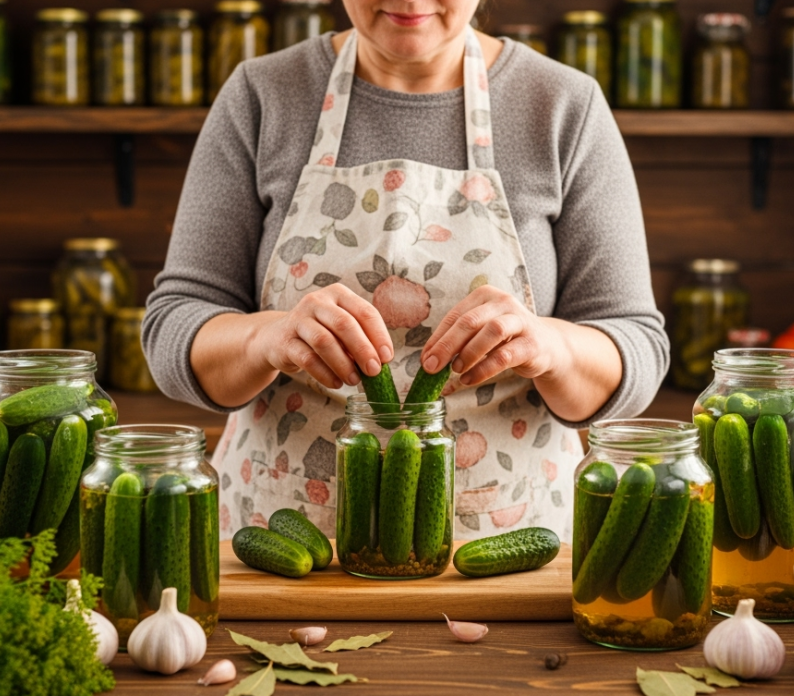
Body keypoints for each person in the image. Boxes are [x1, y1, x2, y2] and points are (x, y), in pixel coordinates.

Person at [144, 0, 667, 540]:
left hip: (504, 540)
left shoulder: (564, 106)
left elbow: (636, 345)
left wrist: (549, 346)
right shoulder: (263, 93)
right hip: (283, 535)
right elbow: (174, 326)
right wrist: (263, 337)